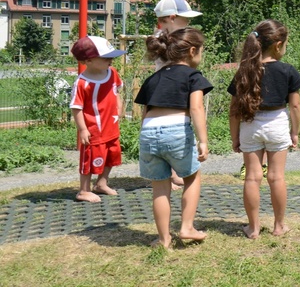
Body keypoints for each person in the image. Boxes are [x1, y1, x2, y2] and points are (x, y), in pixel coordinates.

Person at [227, 20, 300, 239]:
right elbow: (295, 106)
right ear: (278, 45)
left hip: (250, 125)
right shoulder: (287, 70)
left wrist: (235, 138)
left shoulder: (245, 70)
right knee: (276, 177)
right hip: (277, 124)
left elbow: (233, 110)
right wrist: (295, 132)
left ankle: (253, 228)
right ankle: (279, 226)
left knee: (252, 178)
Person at [135, 28, 212, 249]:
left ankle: (163, 239)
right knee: (192, 177)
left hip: (148, 133)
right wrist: (203, 140)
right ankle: (187, 227)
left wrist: (146, 140)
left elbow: (145, 113)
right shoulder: (193, 76)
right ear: (193, 50)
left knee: (160, 187)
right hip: (176, 130)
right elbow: (196, 108)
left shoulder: (153, 78)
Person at [153, 0, 203, 189]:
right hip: (167, 91)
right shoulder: (163, 39)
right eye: (185, 18)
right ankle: (171, 174)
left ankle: (175, 172)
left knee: (179, 130)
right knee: (172, 130)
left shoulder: (168, 37)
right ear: (172, 17)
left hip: (174, 87)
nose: (188, 22)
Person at [69, 36, 126, 203]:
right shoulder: (82, 83)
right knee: (90, 158)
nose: (111, 60)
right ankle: (83, 190)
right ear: (89, 60)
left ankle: (101, 183)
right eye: (106, 57)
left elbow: (116, 92)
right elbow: (76, 108)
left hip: (111, 126)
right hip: (93, 129)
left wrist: (119, 108)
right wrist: (83, 129)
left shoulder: (112, 73)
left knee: (112, 155)